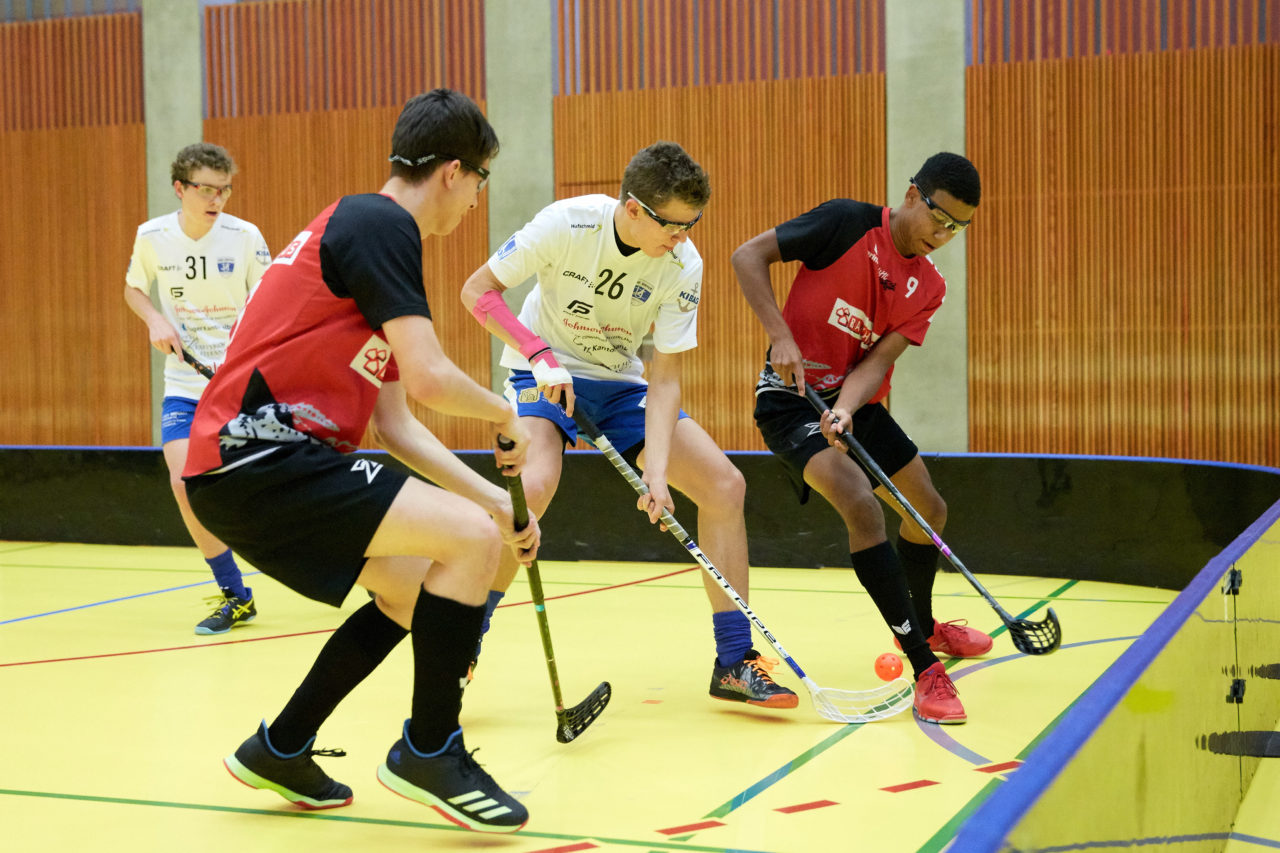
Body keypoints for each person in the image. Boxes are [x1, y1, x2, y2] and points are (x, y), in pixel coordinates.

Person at [182, 89, 539, 834]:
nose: (476, 202)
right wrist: (509, 412)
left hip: (256, 466)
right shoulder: (381, 223)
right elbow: (433, 377)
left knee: (415, 593)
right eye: (480, 182)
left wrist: (499, 505)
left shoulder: (363, 238)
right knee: (466, 543)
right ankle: (430, 750)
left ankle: (280, 746)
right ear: (452, 171)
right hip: (262, 455)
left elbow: (397, 423)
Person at [461, 141, 797, 710]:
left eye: (692, 225)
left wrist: (658, 474)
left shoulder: (682, 265)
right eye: (673, 225)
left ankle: (734, 661)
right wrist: (539, 355)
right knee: (534, 490)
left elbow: (665, 379)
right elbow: (478, 292)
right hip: (541, 371)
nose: (683, 238)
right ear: (634, 208)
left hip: (621, 385)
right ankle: (462, 645)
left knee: (724, 486)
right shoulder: (566, 225)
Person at [731, 151, 992, 725]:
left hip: (854, 401)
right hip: (789, 396)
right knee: (860, 504)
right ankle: (924, 666)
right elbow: (747, 256)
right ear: (911, 195)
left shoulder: (930, 285)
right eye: (940, 218)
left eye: (958, 228)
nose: (944, 235)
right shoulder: (844, 223)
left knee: (929, 508)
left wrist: (847, 409)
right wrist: (779, 335)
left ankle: (924, 623)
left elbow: (877, 361)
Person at [124, 142, 271, 635]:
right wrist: (154, 321)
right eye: (206, 190)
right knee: (184, 483)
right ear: (180, 188)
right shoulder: (153, 237)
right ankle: (236, 595)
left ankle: (360, 570)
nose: (217, 200)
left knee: (279, 486)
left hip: (242, 383)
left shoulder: (245, 236)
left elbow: (270, 304)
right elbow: (134, 288)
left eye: (224, 190)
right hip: (186, 384)